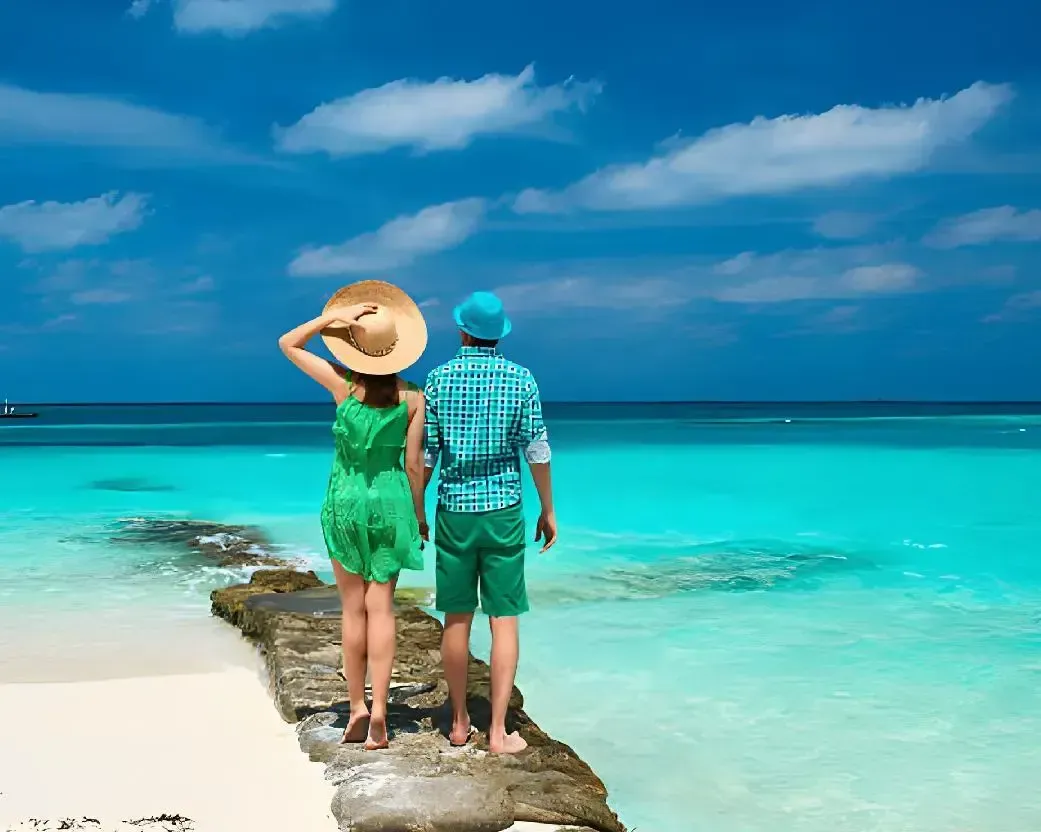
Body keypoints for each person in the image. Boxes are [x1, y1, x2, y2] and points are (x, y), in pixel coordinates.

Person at [278, 280, 429, 751]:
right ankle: (382, 711)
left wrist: (331, 321)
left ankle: (357, 708)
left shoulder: (342, 385)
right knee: (381, 607)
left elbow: (288, 344)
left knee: (351, 609)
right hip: (391, 504)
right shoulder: (413, 398)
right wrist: (419, 518)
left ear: (357, 350)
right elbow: (413, 464)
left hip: (345, 502)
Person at [422, 290, 558, 755]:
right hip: (503, 511)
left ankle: (459, 721)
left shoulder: (438, 380)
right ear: (498, 335)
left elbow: (426, 454)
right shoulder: (522, 380)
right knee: (504, 618)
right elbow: (536, 450)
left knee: (456, 616)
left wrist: (417, 508)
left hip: (454, 511)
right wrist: (548, 508)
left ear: (461, 330)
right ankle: (498, 732)